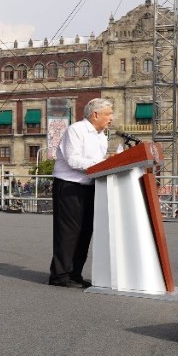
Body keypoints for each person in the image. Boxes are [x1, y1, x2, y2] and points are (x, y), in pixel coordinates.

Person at [49, 97, 114, 288]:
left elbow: (98, 162)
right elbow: (73, 160)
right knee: (69, 232)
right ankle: (60, 275)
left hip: (90, 185)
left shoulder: (102, 136)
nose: (111, 118)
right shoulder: (76, 130)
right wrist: (103, 165)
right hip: (69, 185)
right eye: (108, 114)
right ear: (95, 114)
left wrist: (108, 165)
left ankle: (75, 273)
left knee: (85, 231)